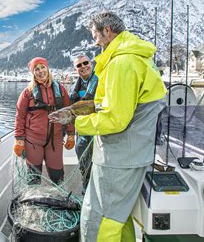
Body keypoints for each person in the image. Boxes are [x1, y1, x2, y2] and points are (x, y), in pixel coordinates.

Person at [74, 12, 167, 241]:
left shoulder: (122, 63)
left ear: (107, 31)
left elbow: (116, 119)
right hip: (133, 152)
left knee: (98, 218)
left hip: (119, 157)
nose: (95, 41)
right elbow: (121, 106)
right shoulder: (138, 57)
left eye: (96, 34)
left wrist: (77, 122)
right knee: (119, 216)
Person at [14, 57, 75, 185]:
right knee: (33, 177)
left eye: (42, 67)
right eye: (36, 69)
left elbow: (69, 113)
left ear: (47, 68)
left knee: (57, 176)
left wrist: (70, 135)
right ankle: (33, 201)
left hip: (55, 140)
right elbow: (20, 116)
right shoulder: (27, 93)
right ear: (33, 73)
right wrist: (19, 139)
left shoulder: (61, 90)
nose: (40, 71)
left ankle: (58, 199)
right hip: (33, 141)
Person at [70, 54, 98, 191]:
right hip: (81, 134)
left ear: (91, 63)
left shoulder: (101, 80)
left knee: (97, 169)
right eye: (79, 65)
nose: (83, 66)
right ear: (75, 69)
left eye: (85, 62)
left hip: (97, 133)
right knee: (84, 168)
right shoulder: (76, 86)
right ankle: (86, 194)